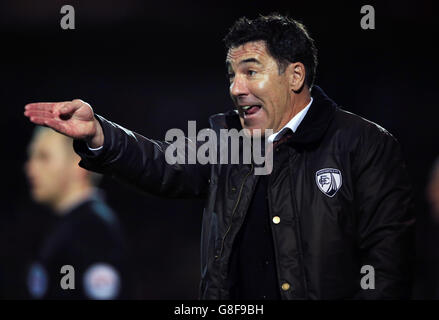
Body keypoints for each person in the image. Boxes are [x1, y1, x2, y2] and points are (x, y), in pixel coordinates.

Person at [24, 14, 415, 299]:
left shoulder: (364, 145)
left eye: (250, 71)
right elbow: (162, 164)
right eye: (231, 75)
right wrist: (99, 134)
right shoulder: (227, 139)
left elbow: (388, 269)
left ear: (295, 76)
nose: (236, 88)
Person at [24, 126, 130, 299]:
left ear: (79, 164)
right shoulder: (66, 226)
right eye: (32, 157)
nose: (30, 168)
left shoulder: (93, 230)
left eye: (43, 157)